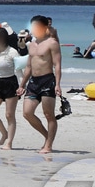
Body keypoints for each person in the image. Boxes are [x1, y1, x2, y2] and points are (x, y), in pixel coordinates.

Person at [19, 15, 63, 154]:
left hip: (47, 81)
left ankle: (48, 145)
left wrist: (57, 84)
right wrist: (22, 85)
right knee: (27, 113)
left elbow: (57, 65)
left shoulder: (52, 43)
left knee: (48, 114)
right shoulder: (31, 44)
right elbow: (28, 67)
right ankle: (47, 136)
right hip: (33, 82)